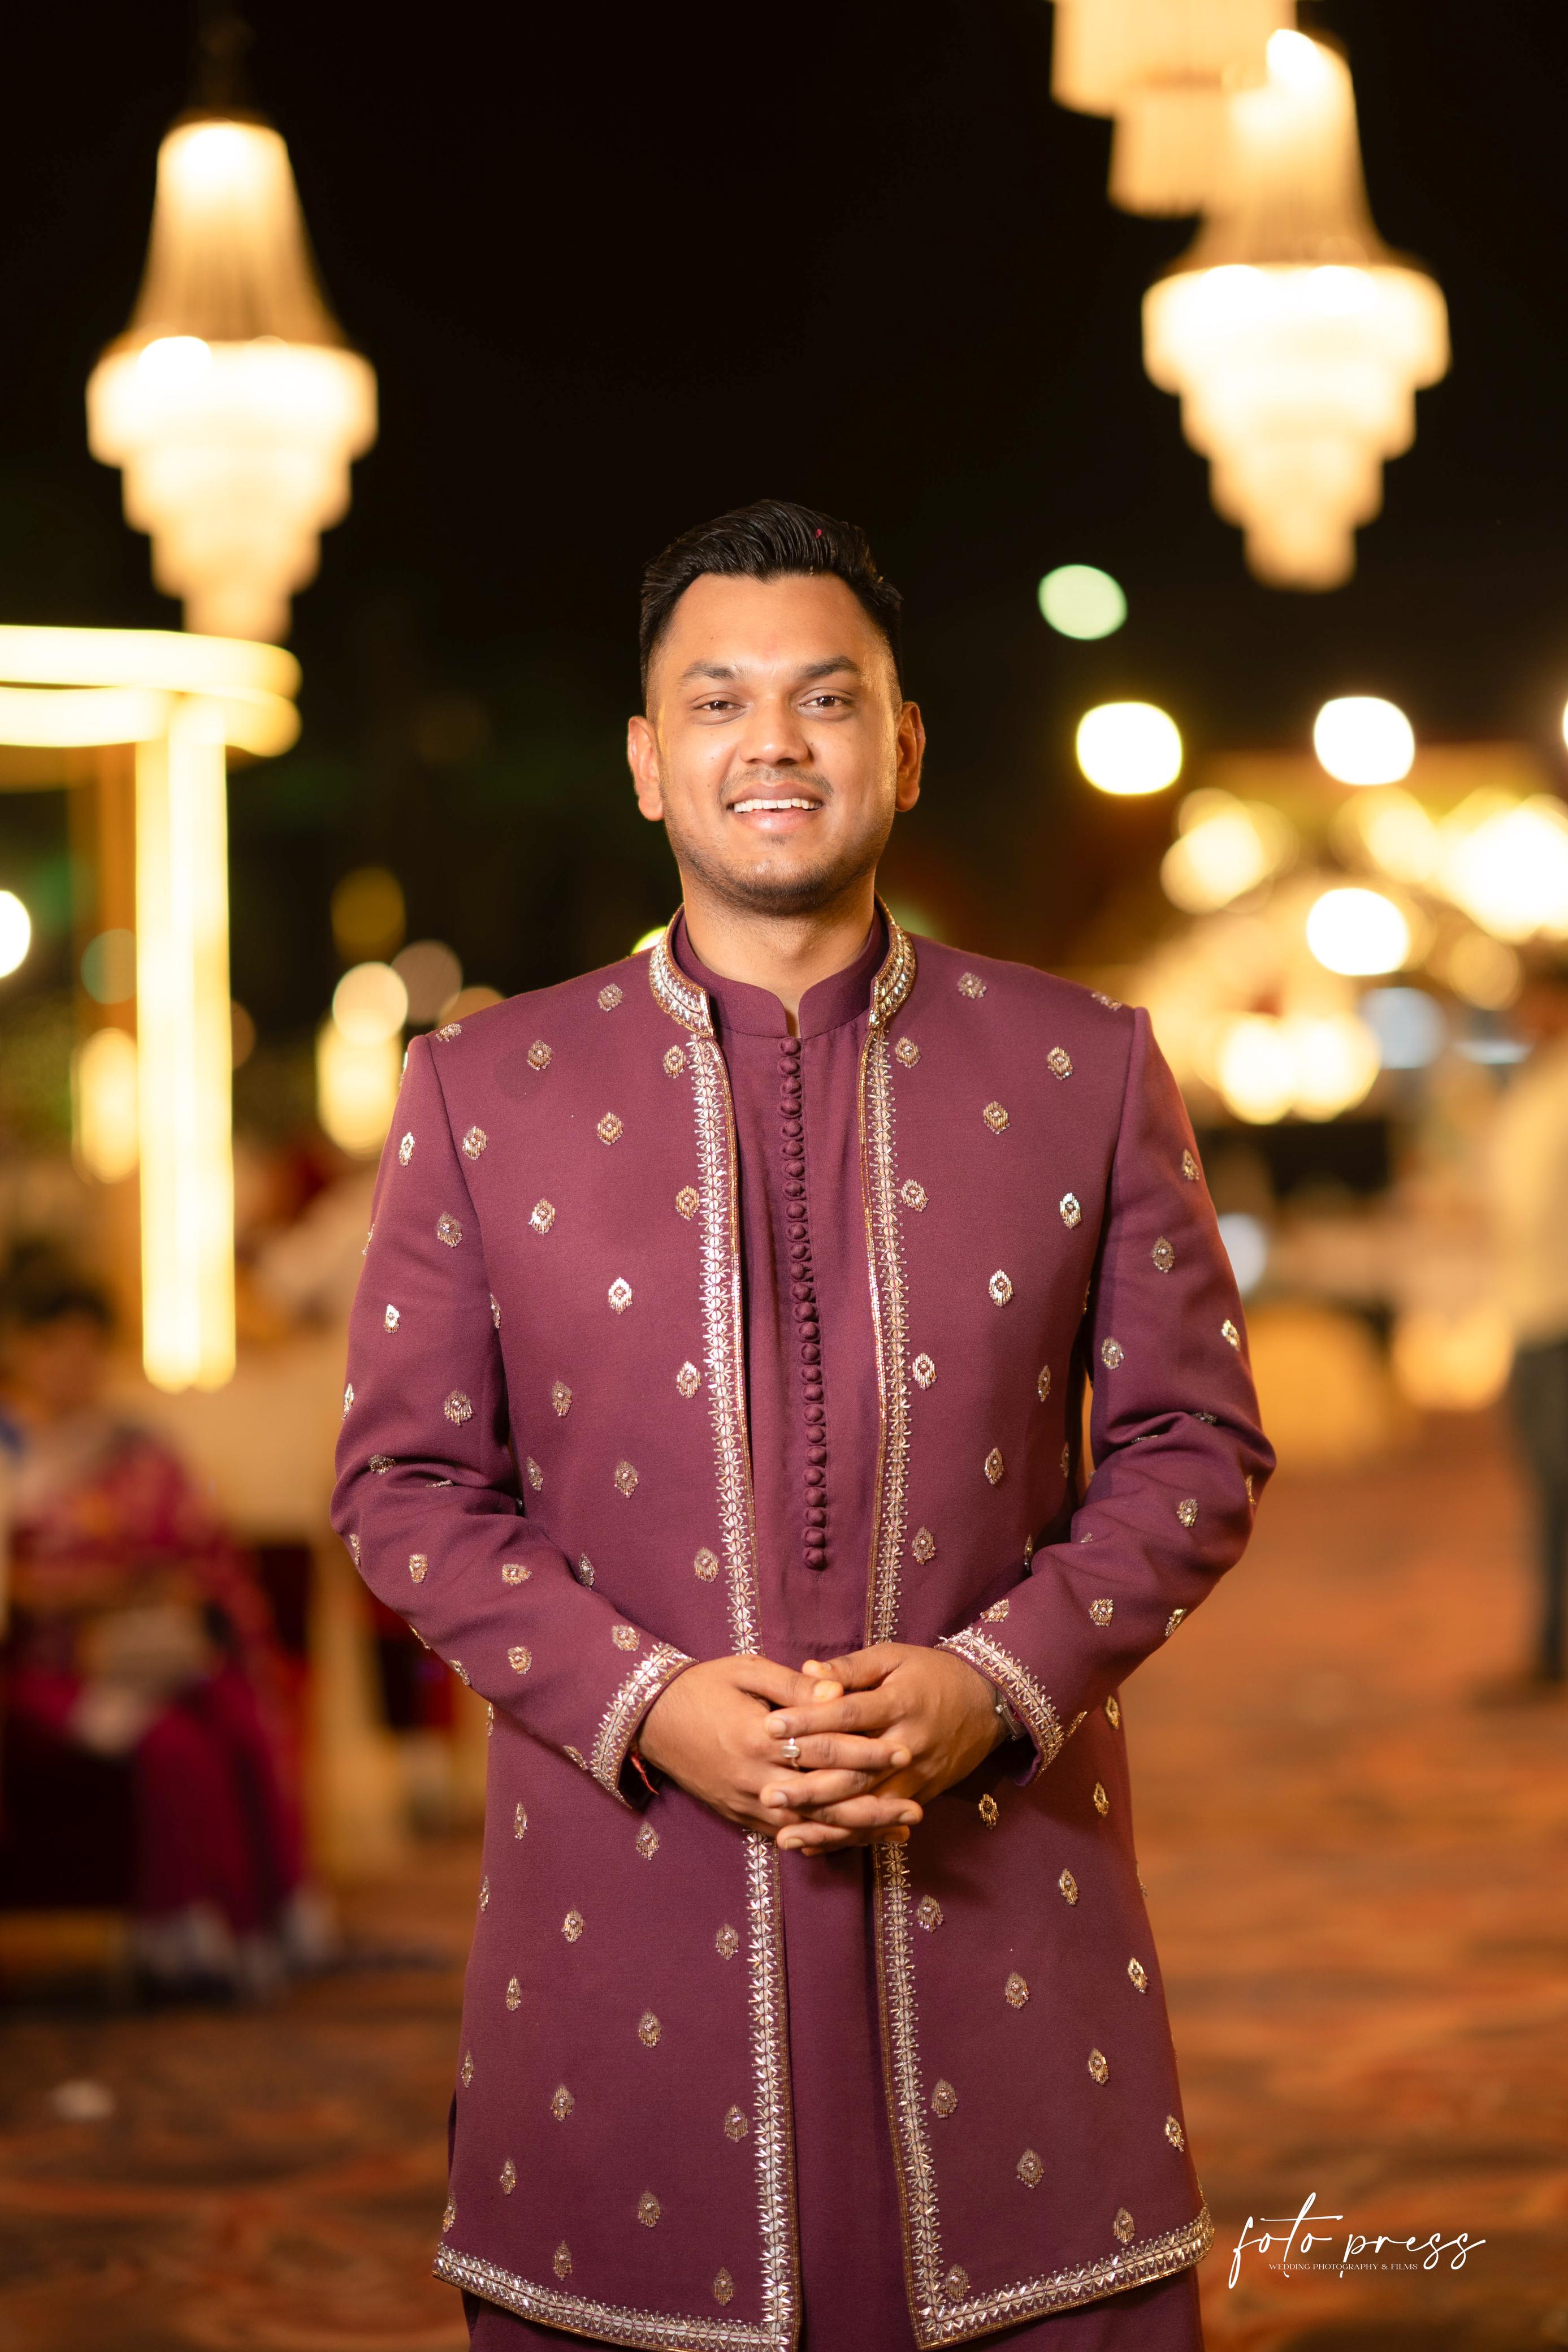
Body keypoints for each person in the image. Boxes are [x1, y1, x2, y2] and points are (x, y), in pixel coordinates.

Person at [333, 500, 1273, 2351]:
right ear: (643, 760)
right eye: (717, 699)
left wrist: (992, 1685)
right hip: (624, 1920)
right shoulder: (478, 1091)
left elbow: (1193, 1446)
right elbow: (404, 1487)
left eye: (825, 698)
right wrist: (647, 1703)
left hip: (1007, 1914)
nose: (772, 741)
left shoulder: (1081, 1067)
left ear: (903, 748)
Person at [0, 1242, 307, 1992]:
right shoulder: (11, 1451)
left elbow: (198, 1551)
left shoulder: (129, 1446)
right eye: (54, 1348)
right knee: (172, 1748)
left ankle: (258, 1935)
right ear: (20, 1347)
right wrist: (102, 1587)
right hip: (41, 1672)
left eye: (85, 1349)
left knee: (232, 1716)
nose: (71, 1366)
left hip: (140, 1652)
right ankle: (181, 1943)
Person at [1485, 971, 1568, 1698]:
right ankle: (1548, 1644)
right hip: (1531, 1312)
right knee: (1548, 1489)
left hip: (1560, 1316)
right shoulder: (1535, 1088)